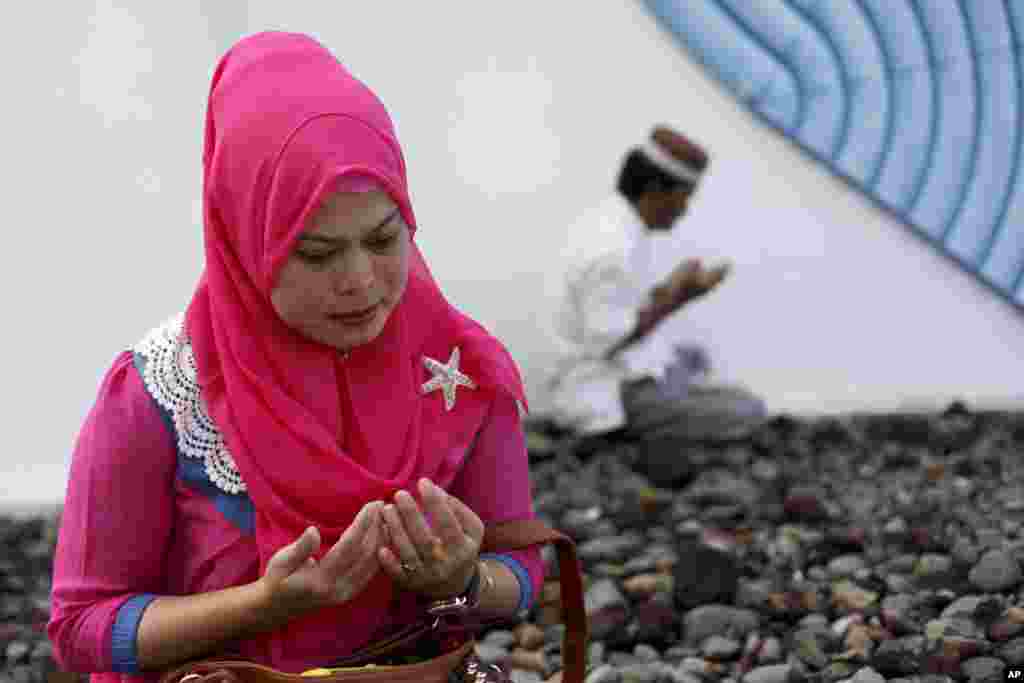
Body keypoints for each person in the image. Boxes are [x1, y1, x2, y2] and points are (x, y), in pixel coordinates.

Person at [47, 32, 543, 679]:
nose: (361, 280)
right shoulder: (159, 395)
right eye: (316, 253)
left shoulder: (459, 369)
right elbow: (79, 626)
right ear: (243, 241)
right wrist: (263, 604)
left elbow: (523, 569)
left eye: (383, 237)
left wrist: (465, 578)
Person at [546, 126, 766, 447]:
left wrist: (671, 288)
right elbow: (610, 341)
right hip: (602, 393)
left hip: (608, 372)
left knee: (694, 358)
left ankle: (666, 412)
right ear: (653, 189)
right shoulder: (613, 250)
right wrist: (682, 297)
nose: (685, 210)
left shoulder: (611, 223)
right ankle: (627, 439)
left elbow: (617, 309)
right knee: (749, 410)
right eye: (683, 197)